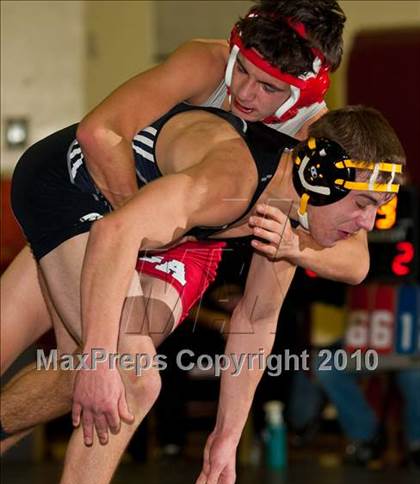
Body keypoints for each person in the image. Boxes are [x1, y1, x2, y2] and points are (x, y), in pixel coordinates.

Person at [8, 99, 405, 484]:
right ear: (318, 175)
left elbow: (259, 320)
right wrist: (99, 359)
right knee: (115, 370)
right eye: (362, 205)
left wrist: (226, 437)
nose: (368, 223)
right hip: (82, 199)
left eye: (378, 207)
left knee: (113, 377)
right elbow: (115, 233)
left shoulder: (292, 207)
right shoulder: (235, 176)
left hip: (168, 234)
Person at [2, 0, 369, 379]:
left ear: (303, 96)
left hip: (190, 237)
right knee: (96, 367)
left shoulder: (313, 137)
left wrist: (295, 246)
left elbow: (356, 260)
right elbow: (100, 132)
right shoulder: (208, 62)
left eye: (267, 87)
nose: (244, 92)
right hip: (112, 200)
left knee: (109, 371)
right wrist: (138, 226)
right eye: (241, 68)